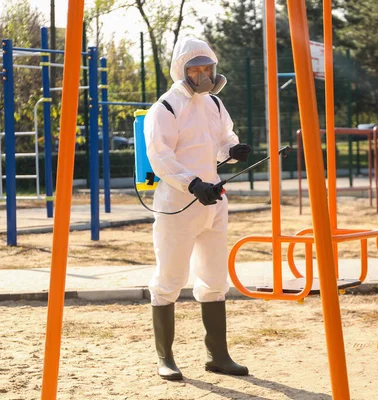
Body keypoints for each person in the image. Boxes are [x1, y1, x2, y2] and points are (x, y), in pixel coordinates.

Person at [143, 37, 251, 380]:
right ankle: (166, 358)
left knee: (215, 278)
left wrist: (233, 150)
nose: (203, 74)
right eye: (196, 69)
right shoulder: (165, 107)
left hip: (214, 202)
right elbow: (161, 156)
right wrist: (192, 184)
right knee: (170, 280)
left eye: (207, 68)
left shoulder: (214, 104)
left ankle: (217, 355)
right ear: (182, 70)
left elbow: (221, 141)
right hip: (178, 204)